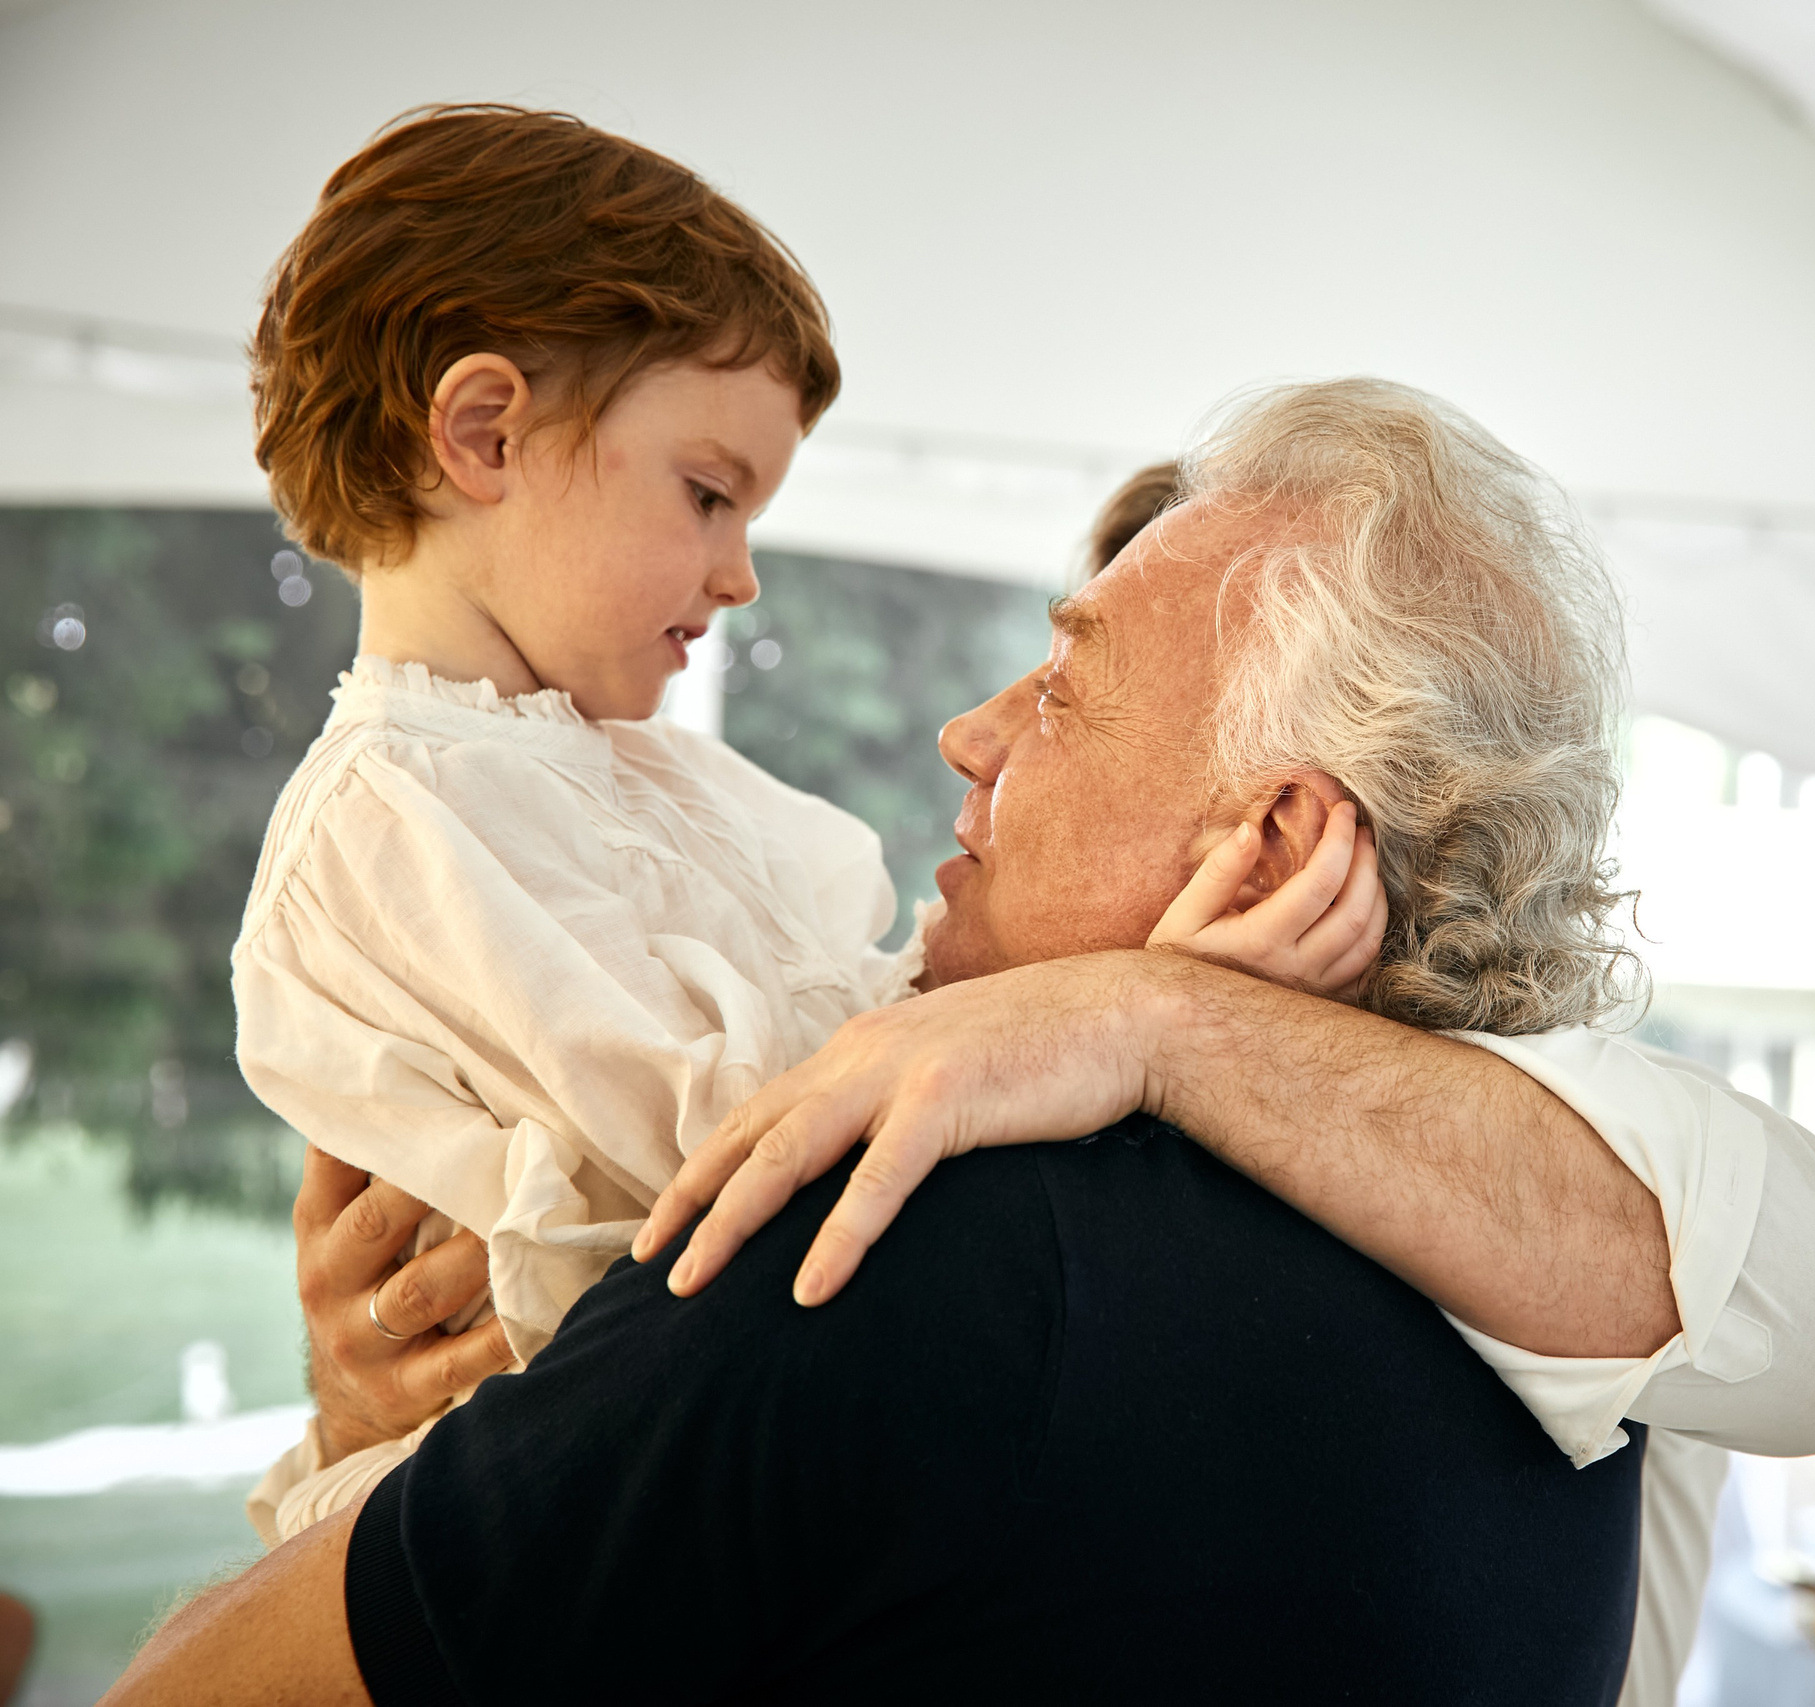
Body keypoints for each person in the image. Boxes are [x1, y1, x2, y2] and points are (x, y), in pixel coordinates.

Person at [213, 381, 1815, 1704]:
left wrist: (1142, 1016)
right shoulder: (1569, 1319)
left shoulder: (903, 1242)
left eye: (1065, 685)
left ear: (1268, 846)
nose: (967, 734)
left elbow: (213, 1696)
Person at [229, 105, 1383, 1542]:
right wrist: (1139, 1007)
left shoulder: (646, 780)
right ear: (483, 433)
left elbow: (886, 1028)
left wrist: (1144, 1010)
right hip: (555, 1526)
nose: (740, 579)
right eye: (709, 495)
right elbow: (749, 1158)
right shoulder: (393, 821)